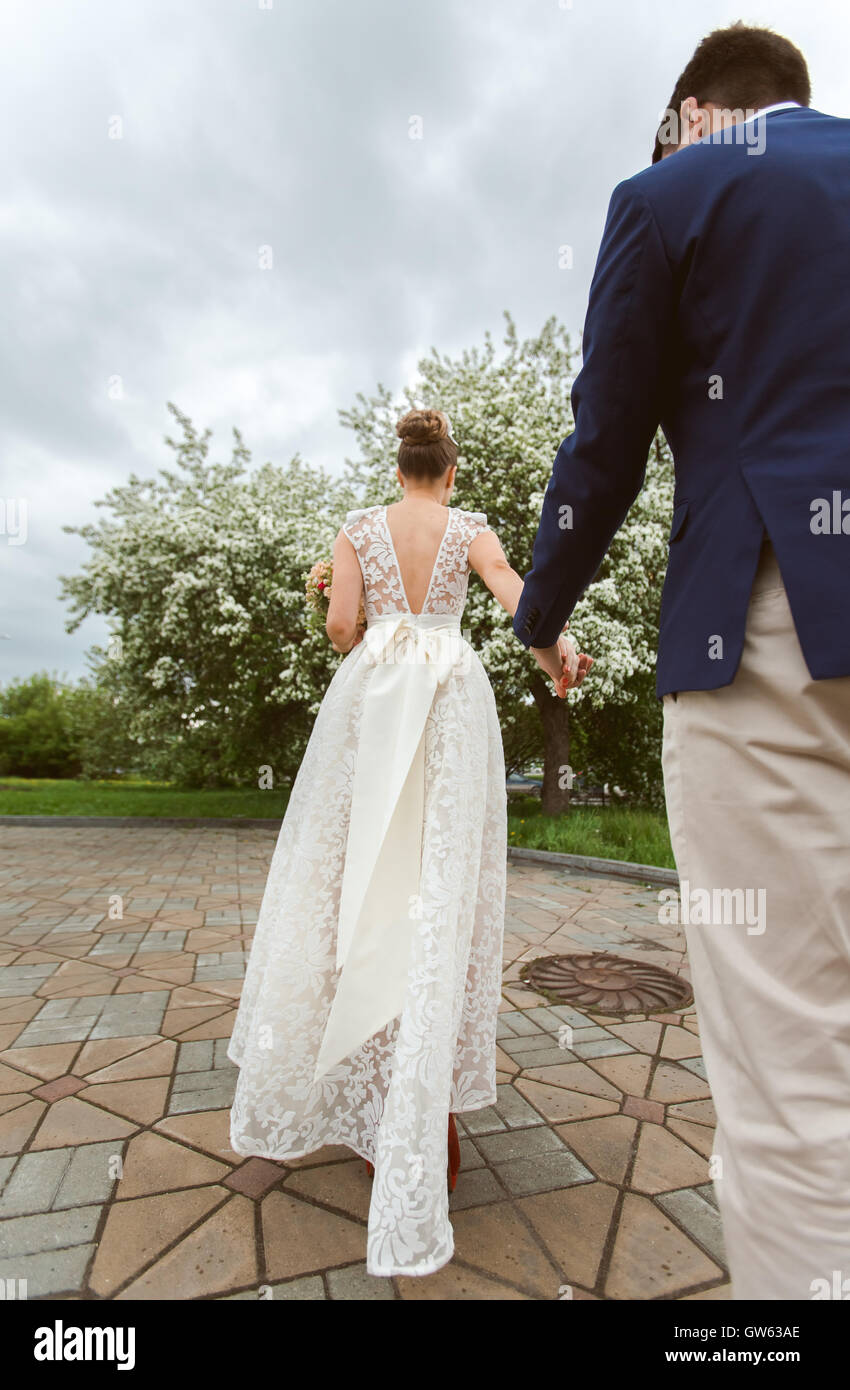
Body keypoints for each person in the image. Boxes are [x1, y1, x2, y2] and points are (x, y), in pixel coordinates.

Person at [513, 23, 850, 1299]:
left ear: (692, 113)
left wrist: (541, 609)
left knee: (790, 1074)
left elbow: (604, 436)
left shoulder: (669, 192)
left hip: (777, 638)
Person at [228, 407, 593, 1278]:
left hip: (376, 697)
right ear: (450, 473)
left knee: (357, 871)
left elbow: (344, 632)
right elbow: (522, 600)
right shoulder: (471, 530)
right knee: (437, 878)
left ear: (400, 470)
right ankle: (424, 1097)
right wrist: (559, 659)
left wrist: (332, 597)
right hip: (450, 697)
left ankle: (363, 1075)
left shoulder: (358, 528)